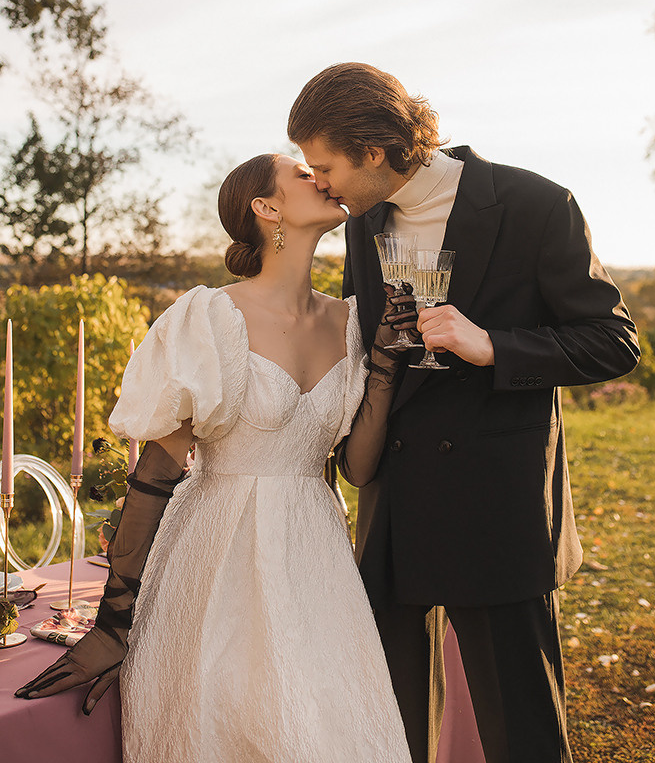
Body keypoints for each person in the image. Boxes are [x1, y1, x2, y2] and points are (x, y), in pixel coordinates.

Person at [287, 62, 641, 763]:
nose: (316, 181)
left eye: (322, 164)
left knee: (522, 732)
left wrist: (492, 347)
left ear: (373, 151)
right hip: (393, 505)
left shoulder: (537, 205)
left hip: (497, 506)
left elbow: (613, 342)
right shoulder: (364, 222)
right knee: (387, 723)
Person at [16, 152, 418, 763]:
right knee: (220, 728)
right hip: (215, 558)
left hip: (316, 560)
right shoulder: (208, 317)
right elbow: (153, 476)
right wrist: (113, 622)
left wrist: (385, 367)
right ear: (267, 208)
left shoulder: (351, 320)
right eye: (302, 174)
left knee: (330, 731)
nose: (322, 178)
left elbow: (357, 469)